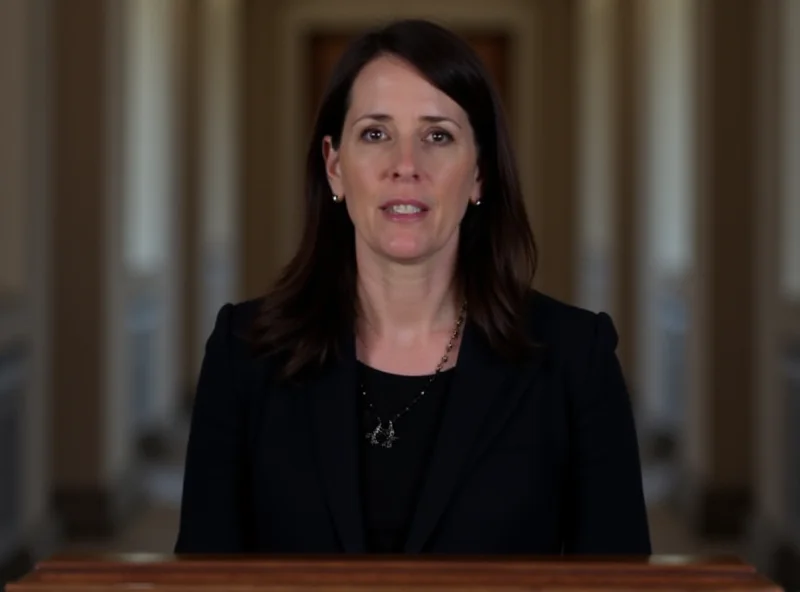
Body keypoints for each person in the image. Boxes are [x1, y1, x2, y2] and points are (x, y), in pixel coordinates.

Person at [174, 18, 651, 555]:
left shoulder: (574, 358)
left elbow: (621, 580)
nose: (406, 166)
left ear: (479, 174)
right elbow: (203, 575)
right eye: (375, 134)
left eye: (438, 136)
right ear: (334, 167)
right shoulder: (243, 351)